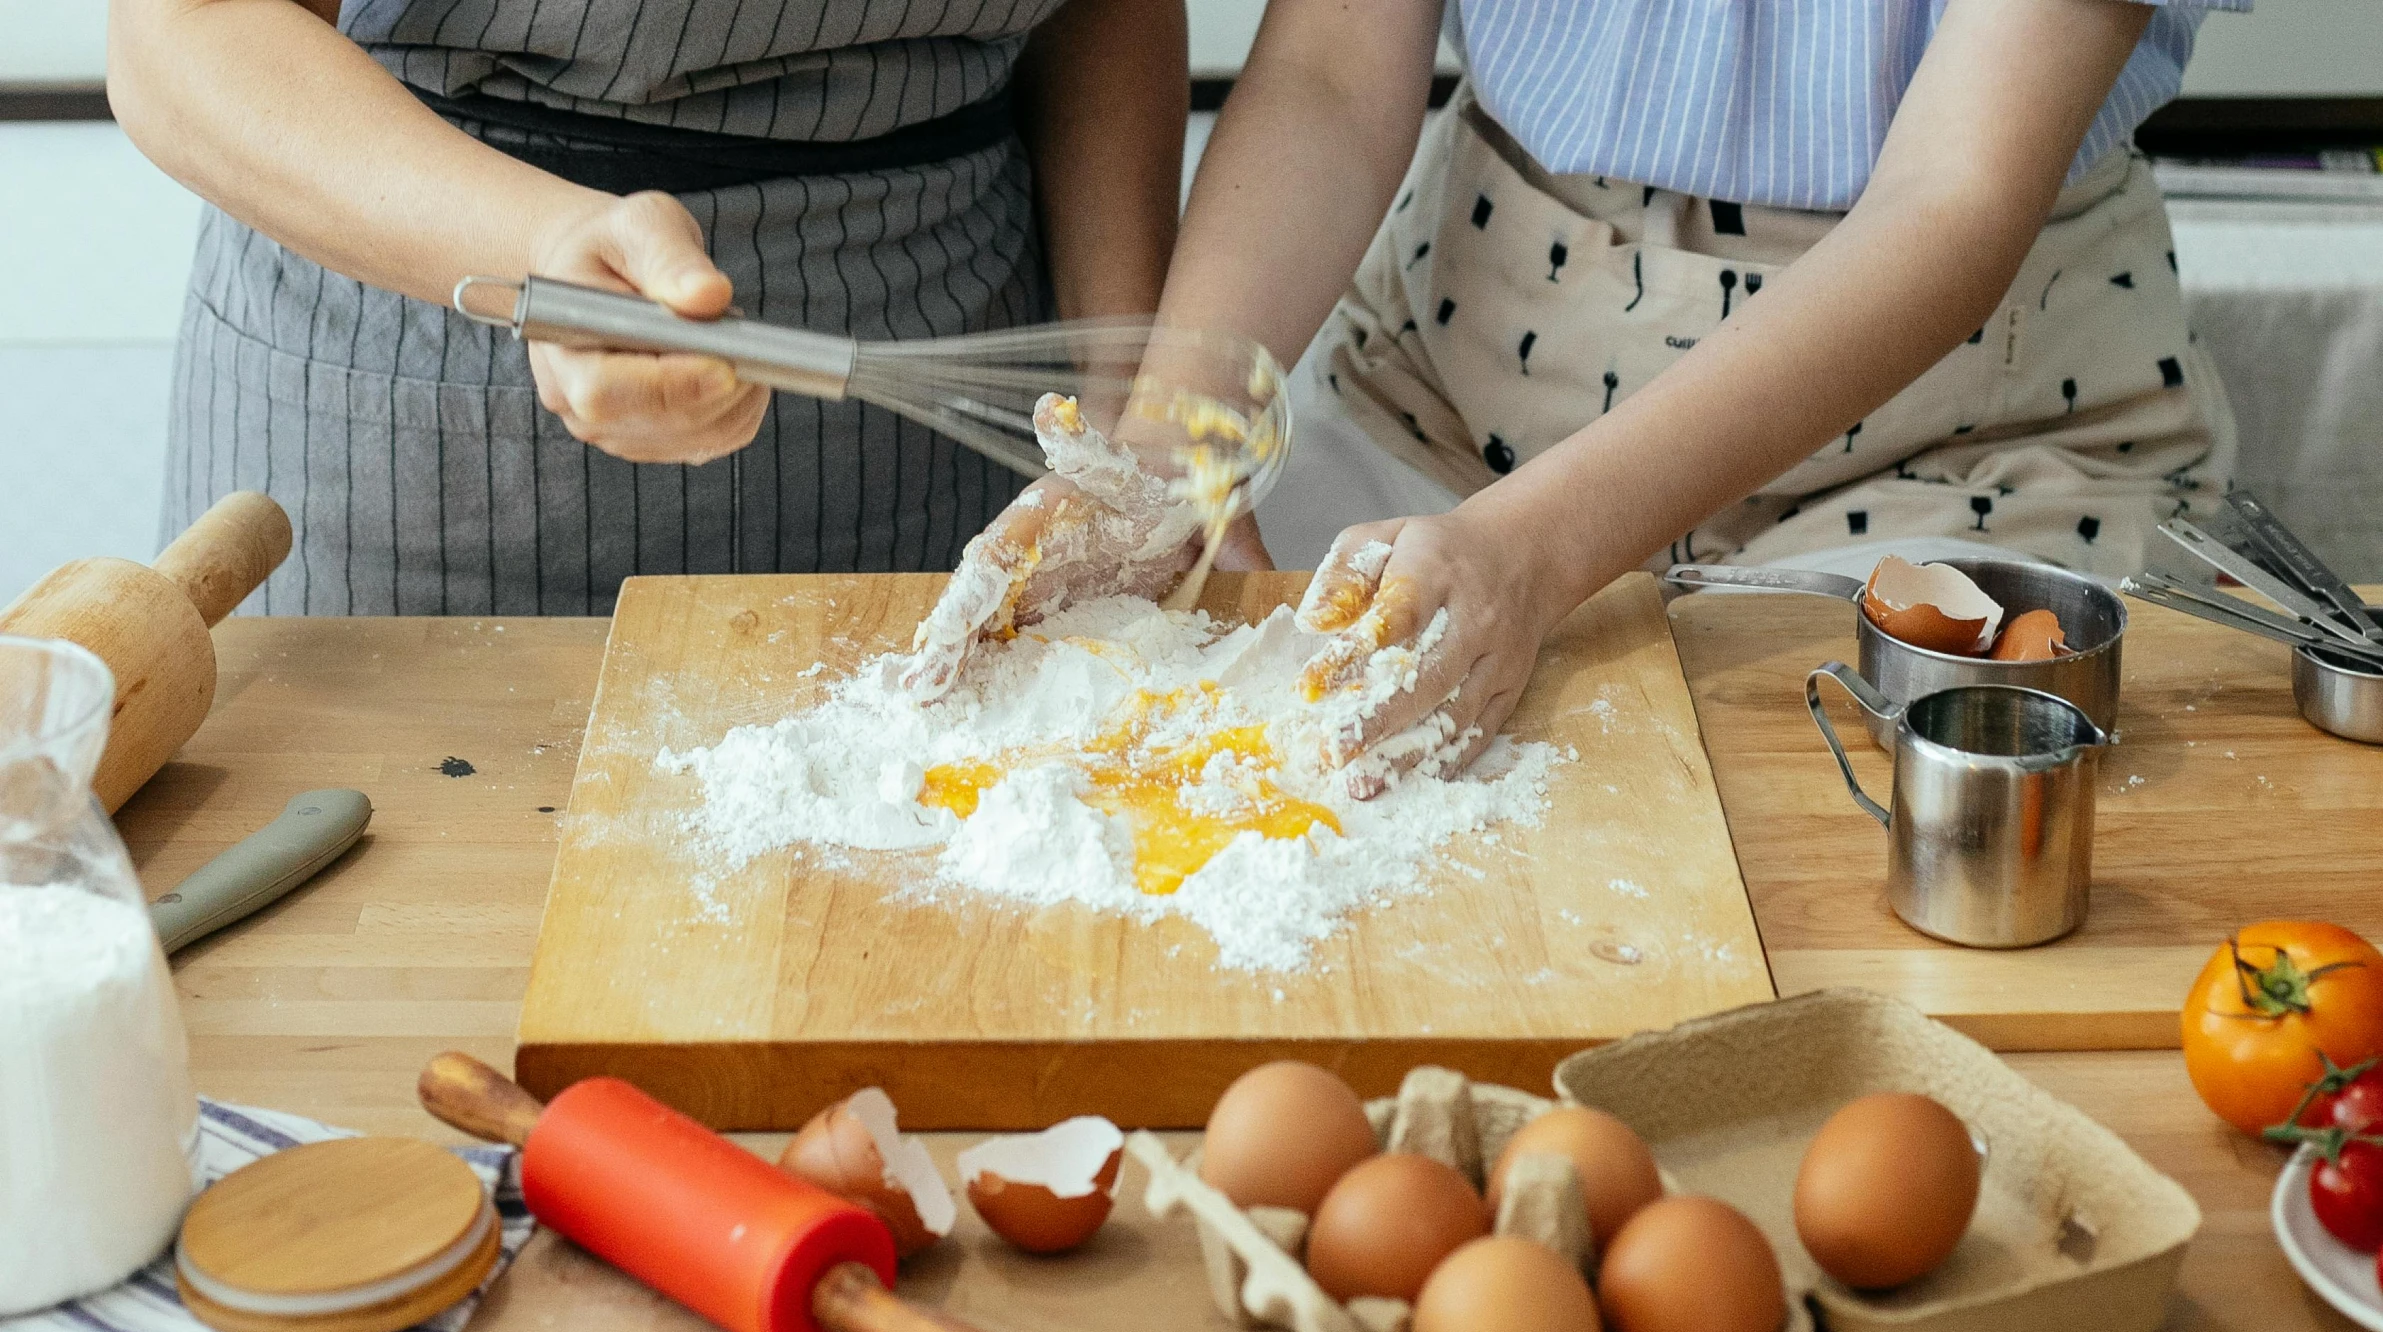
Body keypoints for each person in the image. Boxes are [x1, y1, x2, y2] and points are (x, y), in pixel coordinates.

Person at [915, 0, 2245, 790]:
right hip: (1451, 402)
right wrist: (1172, 445)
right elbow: (1330, 65)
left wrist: (1532, 553)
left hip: (1960, 430)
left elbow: (1948, 196)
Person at [108, 0, 1186, 615]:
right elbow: (180, 34)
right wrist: (535, 246)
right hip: (418, 440)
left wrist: (1122, 407)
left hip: (955, 446)